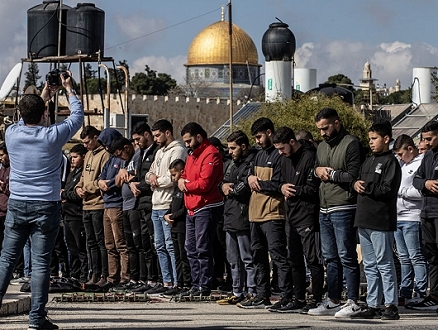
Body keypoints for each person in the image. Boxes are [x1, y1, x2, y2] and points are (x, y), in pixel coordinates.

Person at [0, 73, 83, 329]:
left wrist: (45, 92)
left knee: (6, 260)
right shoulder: (52, 137)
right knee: (40, 263)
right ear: (45, 115)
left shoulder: (11, 134)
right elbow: (77, 117)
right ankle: (36, 318)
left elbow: (28, 116)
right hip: (46, 204)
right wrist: (68, 89)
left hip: (17, 203)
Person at [309, 108, 361, 317]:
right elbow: (315, 169)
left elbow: (354, 175)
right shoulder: (321, 146)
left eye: (325, 127)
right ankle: (333, 299)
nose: (322, 132)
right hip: (325, 208)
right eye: (319, 129)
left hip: (344, 206)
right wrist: (316, 171)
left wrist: (330, 174)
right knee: (330, 257)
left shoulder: (351, 143)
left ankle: (353, 300)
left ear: (337, 123)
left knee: (346, 255)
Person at [237, 118, 292, 310]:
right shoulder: (258, 155)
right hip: (255, 215)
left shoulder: (280, 156)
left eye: (259, 136)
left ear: (269, 132)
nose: (258, 141)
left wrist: (257, 182)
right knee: (258, 258)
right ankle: (262, 295)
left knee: (278, 257)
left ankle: (287, 296)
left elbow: (280, 184)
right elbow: (246, 176)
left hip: (273, 214)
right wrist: (250, 178)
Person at [350, 123, 401, 320]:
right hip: (363, 218)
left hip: (381, 220)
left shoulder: (390, 162)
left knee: (384, 263)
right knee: (369, 264)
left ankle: (391, 304)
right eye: (369, 139)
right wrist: (355, 184)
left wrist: (368, 187)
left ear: (386, 139)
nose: (370, 142)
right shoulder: (368, 161)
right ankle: (373, 303)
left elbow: (387, 189)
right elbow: (357, 180)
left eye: (374, 139)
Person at [271, 127, 324, 314]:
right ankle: (298, 297)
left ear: (292, 142)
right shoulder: (284, 160)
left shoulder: (309, 157)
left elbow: (313, 188)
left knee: (312, 259)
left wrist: (294, 190)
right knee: (294, 259)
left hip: (307, 215)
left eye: (282, 148)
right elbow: (278, 182)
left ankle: (317, 298)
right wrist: (282, 187)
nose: (280, 153)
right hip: (291, 216)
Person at [178, 122, 224, 297]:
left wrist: (186, 185)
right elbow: (184, 175)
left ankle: (204, 284)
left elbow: (205, 183)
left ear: (199, 137)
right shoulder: (191, 155)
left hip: (206, 206)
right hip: (192, 207)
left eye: (189, 141)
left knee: (202, 247)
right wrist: (183, 181)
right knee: (190, 248)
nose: (187, 145)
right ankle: (195, 283)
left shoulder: (211, 154)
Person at [145, 119, 187, 295]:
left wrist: (157, 181)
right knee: (159, 245)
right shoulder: (159, 151)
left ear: (167, 133)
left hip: (168, 202)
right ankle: (166, 280)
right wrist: (151, 179)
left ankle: (177, 281)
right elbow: (149, 173)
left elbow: (173, 177)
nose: (155, 139)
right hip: (155, 203)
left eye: (157, 135)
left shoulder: (178, 150)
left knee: (171, 245)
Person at [217, 130, 257, 305]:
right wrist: (225, 187)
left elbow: (243, 188)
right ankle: (237, 290)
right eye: (228, 148)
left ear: (243, 146)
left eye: (233, 148)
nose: (230, 151)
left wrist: (230, 189)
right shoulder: (232, 164)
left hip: (243, 215)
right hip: (230, 215)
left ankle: (252, 291)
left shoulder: (251, 162)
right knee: (233, 259)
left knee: (247, 257)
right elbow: (222, 184)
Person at [392, 135, 428, 304]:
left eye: (401, 153)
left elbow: (420, 191)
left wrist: (402, 191)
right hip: (398, 216)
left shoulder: (421, 163)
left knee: (416, 256)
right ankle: (405, 290)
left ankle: (420, 291)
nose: (400, 157)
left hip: (412, 217)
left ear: (410, 149)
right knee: (403, 257)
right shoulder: (401, 165)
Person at [75, 125, 110, 286]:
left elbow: (101, 180)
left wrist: (87, 188)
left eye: (87, 142)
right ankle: (94, 273)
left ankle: (104, 274)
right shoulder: (88, 154)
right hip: (86, 205)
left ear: (96, 137)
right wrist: (78, 188)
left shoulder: (104, 155)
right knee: (90, 242)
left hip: (98, 205)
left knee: (100, 241)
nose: (85, 145)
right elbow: (83, 176)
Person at [97, 128, 130, 291]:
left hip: (117, 204)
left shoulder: (122, 158)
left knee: (120, 244)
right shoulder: (109, 160)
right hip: (106, 205)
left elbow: (118, 180)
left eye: (105, 143)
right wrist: (100, 183)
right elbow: (101, 177)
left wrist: (106, 184)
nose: (105, 147)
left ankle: (125, 277)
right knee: (109, 244)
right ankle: (112, 276)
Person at [129, 122, 160, 293]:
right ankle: (146, 278)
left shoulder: (155, 153)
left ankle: (156, 279)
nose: (136, 143)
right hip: (140, 203)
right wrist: (133, 183)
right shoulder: (140, 153)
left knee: (154, 243)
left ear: (147, 135)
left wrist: (138, 186)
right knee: (142, 243)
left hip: (151, 201)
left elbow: (153, 180)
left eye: (138, 139)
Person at [411, 120, 438, 310]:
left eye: (430, 139)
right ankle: (434, 296)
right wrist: (426, 183)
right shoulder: (428, 156)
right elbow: (417, 179)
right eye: (424, 139)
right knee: (432, 255)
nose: (426, 143)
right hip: (426, 212)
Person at [112, 136, 143, 288]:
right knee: (129, 244)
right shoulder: (125, 161)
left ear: (127, 147)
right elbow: (118, 182)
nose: (119, 158)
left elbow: (136, 176)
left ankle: (140, 278)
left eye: (120, 154)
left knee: (138, 244)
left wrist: (128, 177)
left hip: (135, 206)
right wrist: (122, 172)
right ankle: (133, 278)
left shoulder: (137, 156)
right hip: (125, 205)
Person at [162, 159, 192, 297]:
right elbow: (172, 204)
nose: (173, 178)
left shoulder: (185, 186)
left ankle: (187, 283)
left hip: (182, 226)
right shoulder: (176, 188)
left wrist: (173, 215)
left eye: (174, 175)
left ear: (181, 171)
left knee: (184, 255)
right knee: (177, 256)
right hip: (173, 226)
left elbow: (185, 208)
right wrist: (167, 215)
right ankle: (178, 282)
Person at [61, 144, 89, 283]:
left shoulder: (84, 173)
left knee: (81, 249)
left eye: (75, 157)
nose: (72, 160)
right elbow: (66, 190)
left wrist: (66, 194)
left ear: (84, 157)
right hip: (67, 215)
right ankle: (74, 274)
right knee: (72, 248)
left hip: (77, 216)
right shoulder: (73, 173)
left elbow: (78, 194)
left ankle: (84, 276)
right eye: (71, 157)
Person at [0, 142, 10, 251]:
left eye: (2, 155)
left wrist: (3, 187)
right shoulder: (2, 168)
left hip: (8, 210)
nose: (0, 158)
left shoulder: (13, 169)